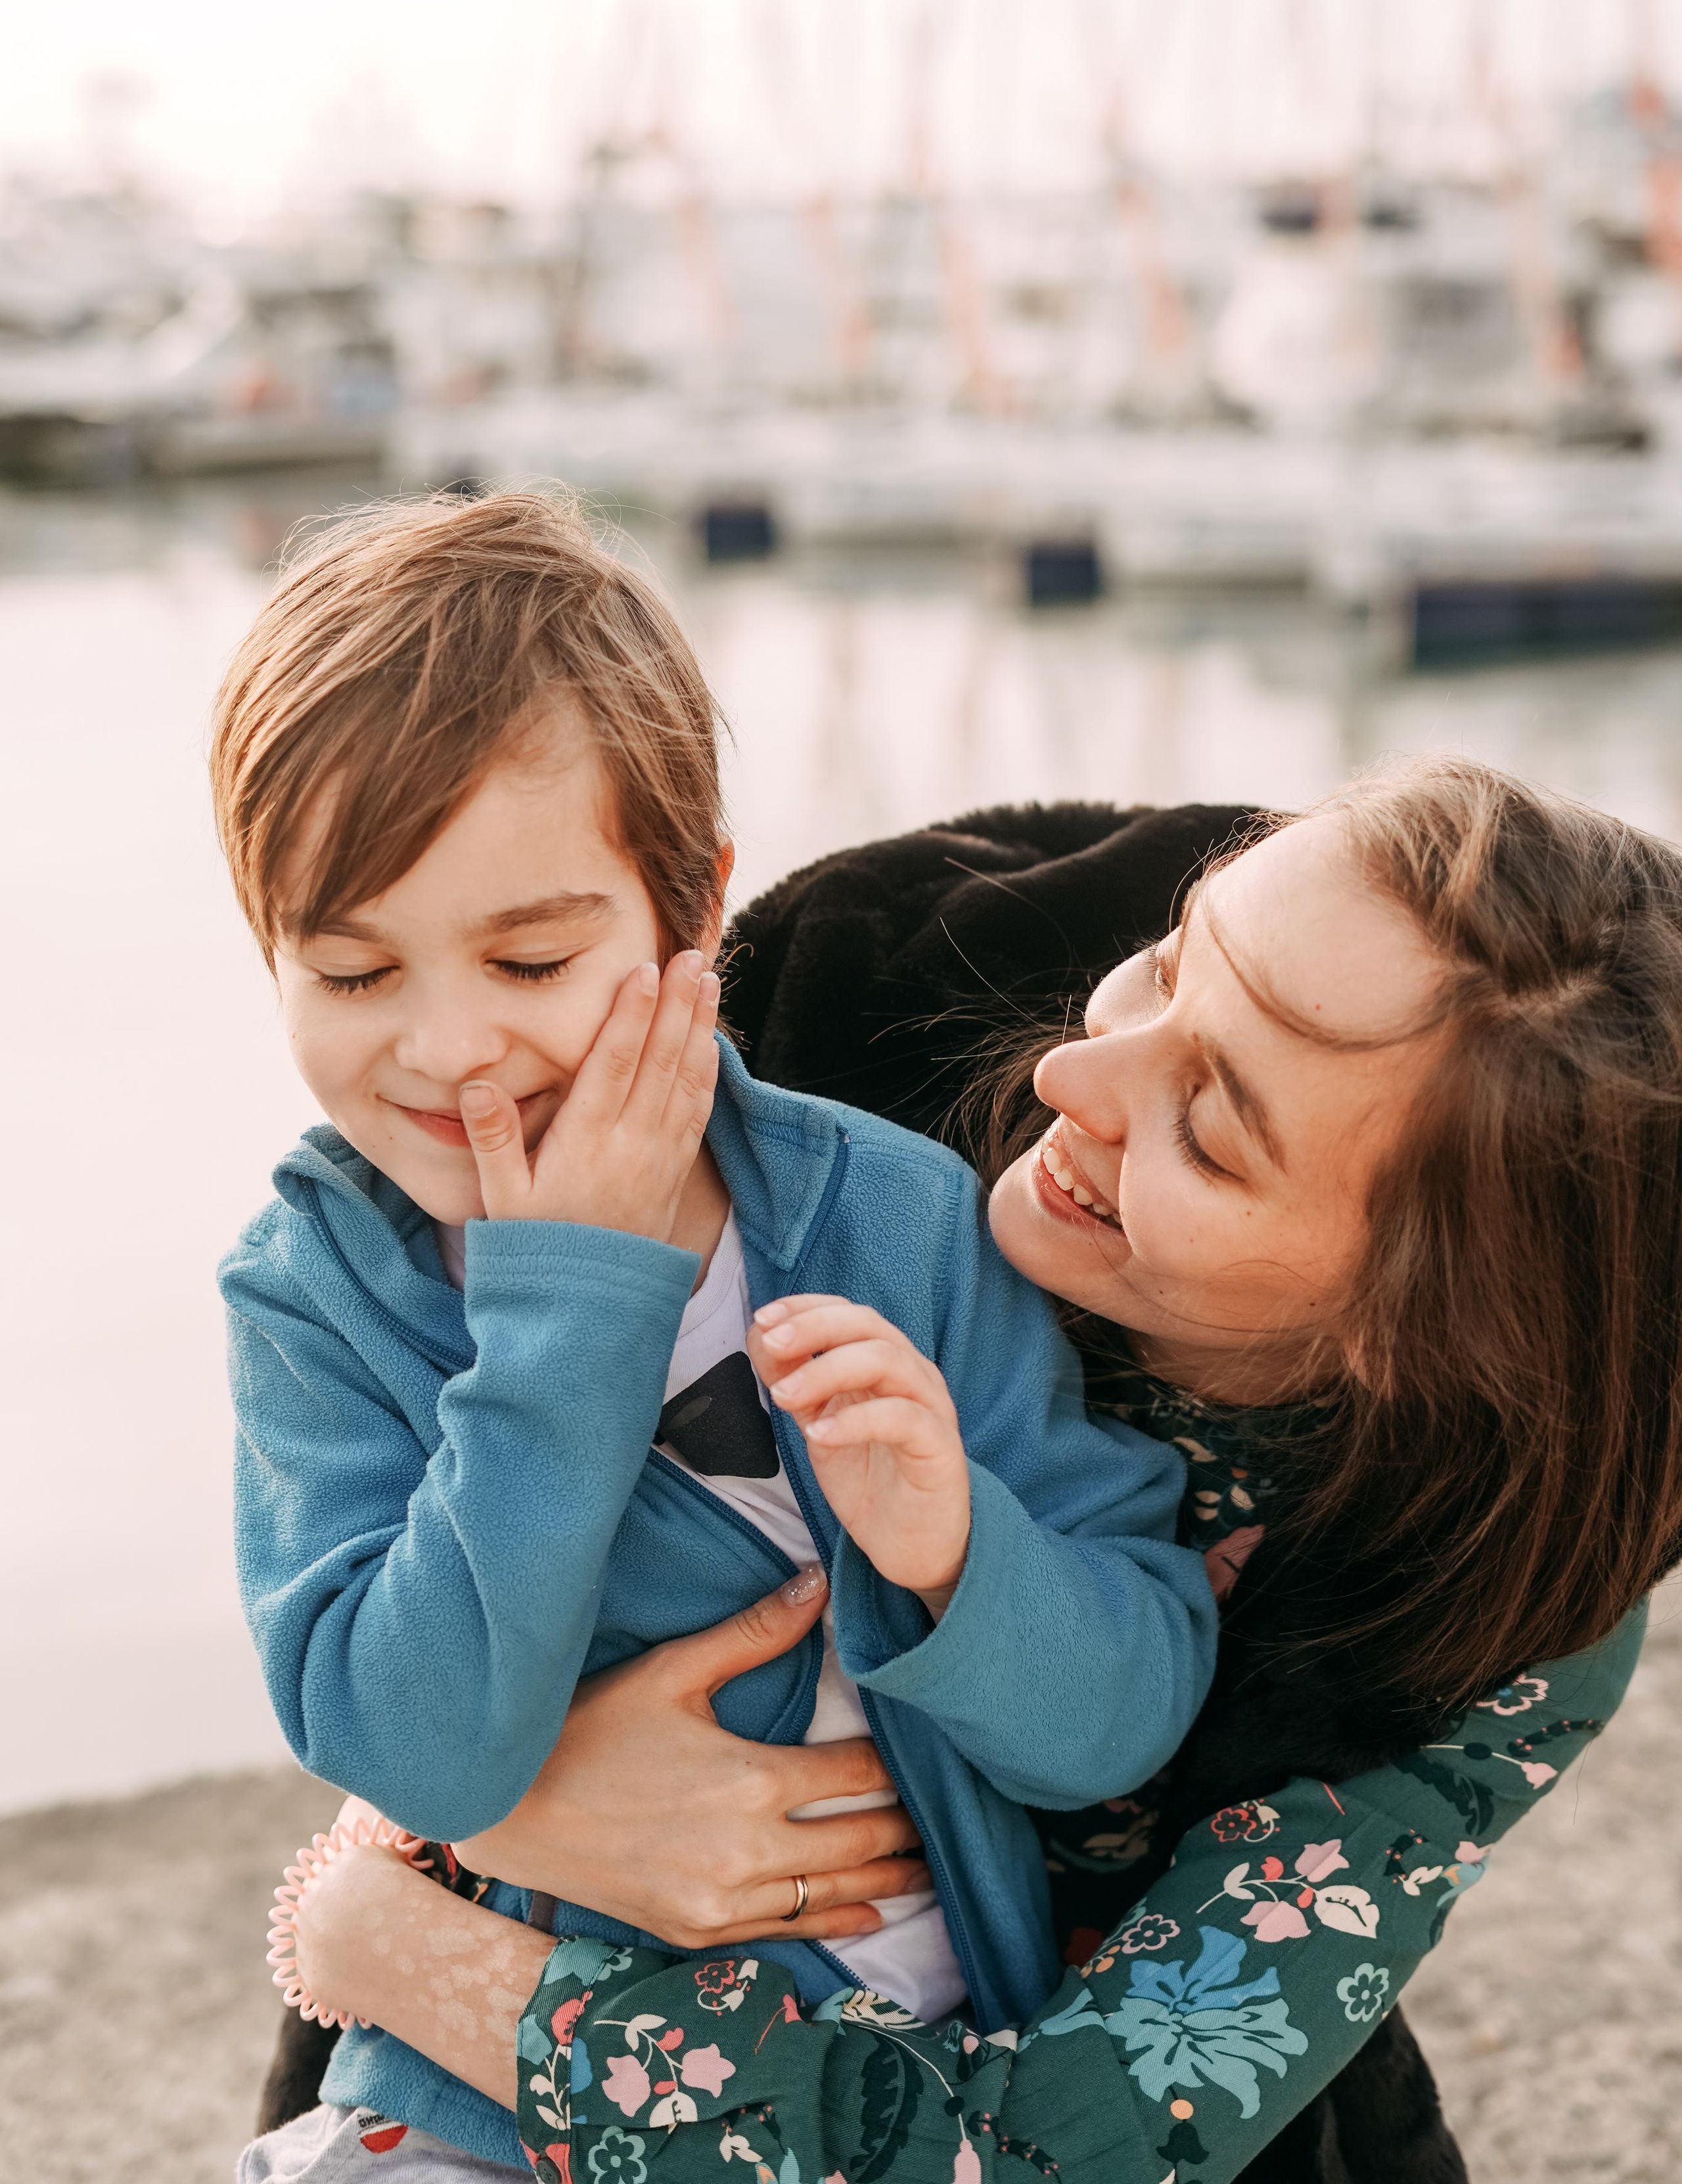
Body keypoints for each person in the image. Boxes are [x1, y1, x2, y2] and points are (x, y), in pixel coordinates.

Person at [258, 763, 1681, 2184]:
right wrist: (472, 1816)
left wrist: (392, 1946)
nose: (1071, 1070)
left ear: (1408, 1329)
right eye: (1168, 963)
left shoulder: (1494, 1605)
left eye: (1207, 1130)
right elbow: (452, 1521)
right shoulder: (831, 1067)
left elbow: (1032, 2156)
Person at [212, 491, 1218, 2175]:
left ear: (691, 909)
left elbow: (1117, 1722)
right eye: (351, 972)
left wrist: (960, 1546)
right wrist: (565, 1306)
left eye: (530, 958)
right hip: (487, 2086)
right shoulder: (320, 1296)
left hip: (904, 2070)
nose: (449, 1045)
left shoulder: (886, 1219)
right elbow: (413, 1748)